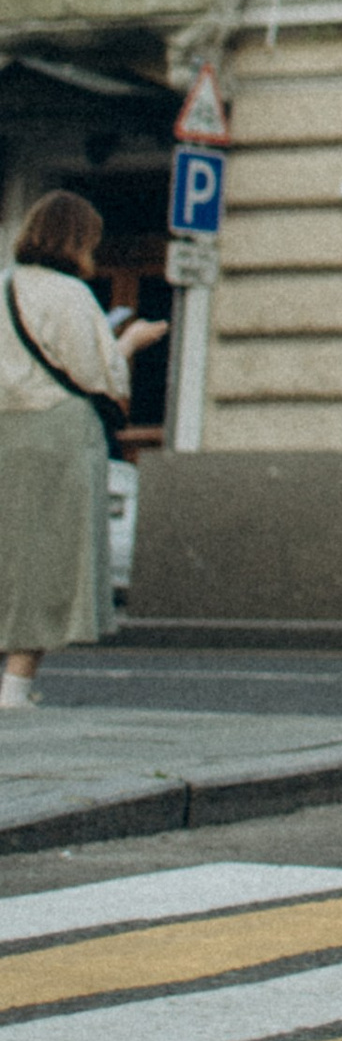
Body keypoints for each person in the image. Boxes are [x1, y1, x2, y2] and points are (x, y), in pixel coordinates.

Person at [1, 192, 163, 709]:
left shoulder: (2, 285)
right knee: (46, 557)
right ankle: (16, 686)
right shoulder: (70, 295)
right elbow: (101, 375)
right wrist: (131, 343)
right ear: (78, 241)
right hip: (56, 435)